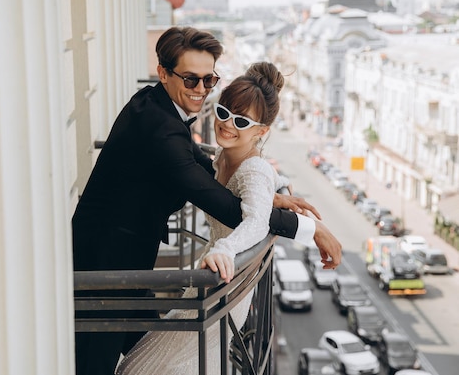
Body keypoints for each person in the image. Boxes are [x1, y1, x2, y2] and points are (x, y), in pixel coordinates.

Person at [72, 26, 342, 375]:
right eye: (190, 80)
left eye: (208, 80)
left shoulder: (154, 104)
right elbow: (226, 206)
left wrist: (267, 195)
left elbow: (203, 167)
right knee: (100, 365)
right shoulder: (162, 129)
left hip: (125, 264)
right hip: (102, 271)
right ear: (164, 73)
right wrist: (311, 229)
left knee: (146, 357)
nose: (200, 90)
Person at [115, 61, 310, 374]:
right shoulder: (222, 157)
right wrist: (268, 198)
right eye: (223, 112)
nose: (228, 124)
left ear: (262, 131)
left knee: (146, 368)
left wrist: (226, 248)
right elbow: (233, 198)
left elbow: (257, 221)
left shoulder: (255, 169)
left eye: (242, 121)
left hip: (225, 281)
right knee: (161, 363)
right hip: (210, 279)